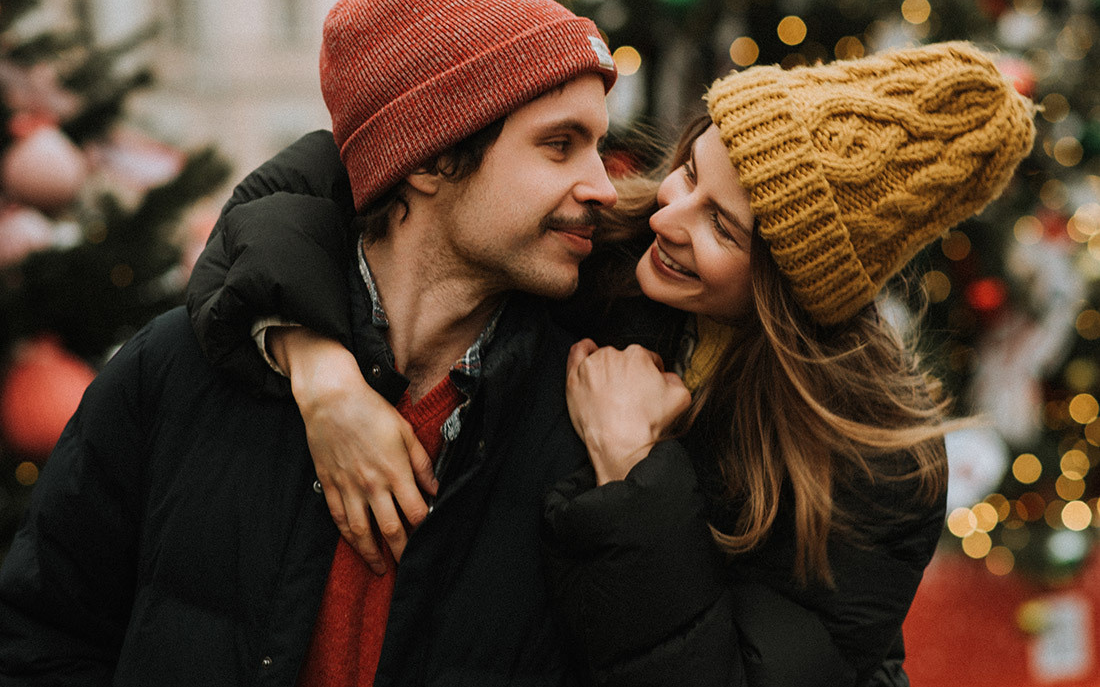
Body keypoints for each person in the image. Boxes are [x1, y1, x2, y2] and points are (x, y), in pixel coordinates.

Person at [0, 0, 840, 687]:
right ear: (433, 158)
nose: (603, 183)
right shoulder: (174, 372)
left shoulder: (595, 424)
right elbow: (43, 636)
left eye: (597, 144)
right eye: (559, 145)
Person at [179, 39, 1036, 687]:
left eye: (722, 228)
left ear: (793, 286)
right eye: (691, 173)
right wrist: (321, 369)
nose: (670, 216)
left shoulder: (871, 465)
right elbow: (288, 198)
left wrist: (635, 476)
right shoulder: (594, 249)